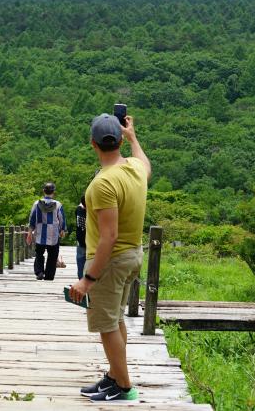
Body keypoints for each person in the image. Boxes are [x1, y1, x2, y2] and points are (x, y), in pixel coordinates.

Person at [69, 113, 151, 403]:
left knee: (105, 324)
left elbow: (109, 236)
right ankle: (115, 375)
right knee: (115, 320)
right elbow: (146, 164)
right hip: (131, 256)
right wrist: (134, 138)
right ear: (118, 140)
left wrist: (87, 279)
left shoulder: (103, 183)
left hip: (111, 260)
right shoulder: (134, 170)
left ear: (93, 144)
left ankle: (124, 387)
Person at [26, 182, 66, 281]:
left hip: (40, 233)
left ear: (44, 191)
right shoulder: (58, 204)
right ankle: (49, 275)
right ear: (53, 192)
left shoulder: (37, 204)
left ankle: (39, 272)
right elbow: (61, 218)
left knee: (39, 254)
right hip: (53, 234)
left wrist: (30, 232)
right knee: (52, 255)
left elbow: (32, 219)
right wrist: (62, 229)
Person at [75, 196, 86, 280]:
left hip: (80, 241)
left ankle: (81, 281)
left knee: (80, 264)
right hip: (91, 242)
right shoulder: (93, 212)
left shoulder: (78, 210)